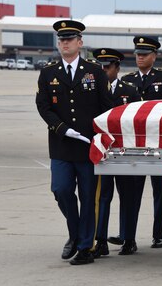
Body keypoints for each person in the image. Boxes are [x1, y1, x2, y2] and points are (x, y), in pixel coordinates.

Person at [35, 20, 112, 265]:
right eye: (61, 40)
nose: (64, 43)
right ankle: (75, 232)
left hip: (88, 146)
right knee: (60, 190)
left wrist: (102, 137)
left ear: (80, 43)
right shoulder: (48, 73)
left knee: (88, 197)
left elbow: (106, 106)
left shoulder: (94, 72)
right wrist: (61, 128)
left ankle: (84, 247)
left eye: (69, 39)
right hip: (61, 144)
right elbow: (43, 106)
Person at [118, 36, 162, 249]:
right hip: (134, 145)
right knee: (131, 192)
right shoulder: (128, 79)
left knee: (160, 190)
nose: (140, 57)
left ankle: (158, 234)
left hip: (159, 144)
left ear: (154, 56)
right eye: (137, 54)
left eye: (144, 54)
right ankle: (129, 238)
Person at [91, 48, 142, 257]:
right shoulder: (91, 90)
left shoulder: (129, 91)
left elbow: (138, 120)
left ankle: (129, 239)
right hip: (102, 152)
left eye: (108, 66)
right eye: (100, 66)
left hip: (124, 152)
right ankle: (100, 240)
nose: (104, 70)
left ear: (117, 67)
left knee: (127, 196)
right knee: (102, 197)